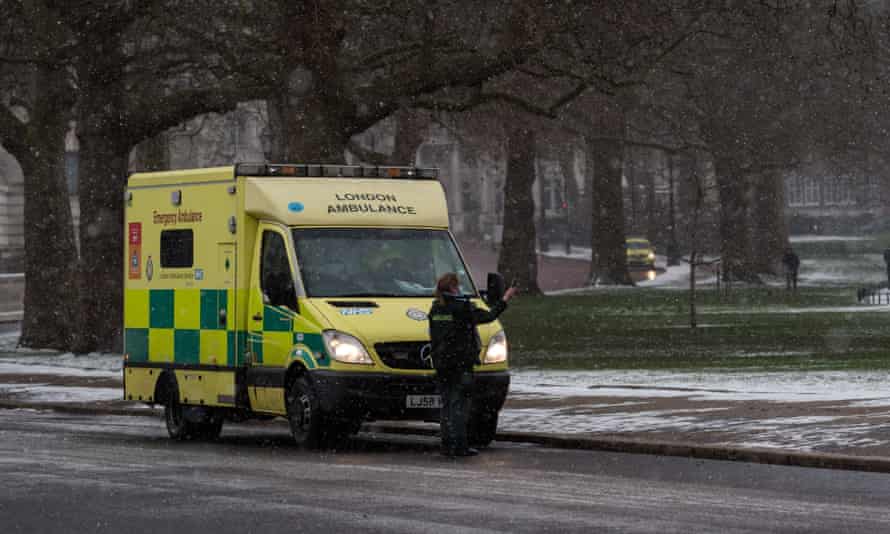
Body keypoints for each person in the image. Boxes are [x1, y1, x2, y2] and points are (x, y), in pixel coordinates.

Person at [428, 272, 517, 457]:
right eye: (458, 286)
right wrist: (506, 298)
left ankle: (447, 444)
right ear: (453, 288)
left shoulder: (436, 309)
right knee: (460, 405)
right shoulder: (462, 307)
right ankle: (460, 445)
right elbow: (490, 316)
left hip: (441, 363)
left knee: (446, 405)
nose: (459, 289)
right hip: (461, 364)